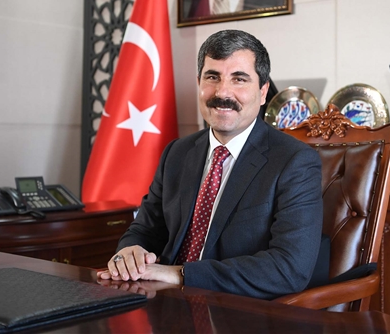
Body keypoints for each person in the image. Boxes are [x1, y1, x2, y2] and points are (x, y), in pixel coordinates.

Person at [97, 29, 322, 299]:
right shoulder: (177, 152)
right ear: (199, 83)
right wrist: (130, 251)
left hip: (234, 307)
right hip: (162, 299)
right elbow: (146, 229)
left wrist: (182, 274)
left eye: (239, 79)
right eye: (212, 77)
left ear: (263, 92)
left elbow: (289, 269)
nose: (222, 92)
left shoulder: (294, 161)